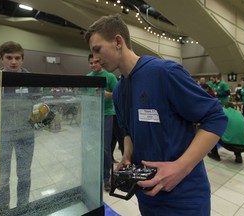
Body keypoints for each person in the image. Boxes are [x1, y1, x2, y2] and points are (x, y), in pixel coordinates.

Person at [84, 14, 228, 215]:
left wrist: (180, 168)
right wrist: (127, 155)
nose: (95, 58)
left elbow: (215, 117)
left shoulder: (164, 73)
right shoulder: (118, 91)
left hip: (184, 198)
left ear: (118, 41)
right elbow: (127, 131)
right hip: (148, 196)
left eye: (97, 49)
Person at [0, 41, 40, 210]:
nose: (13, 61)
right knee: (2, 177)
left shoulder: (31, 80)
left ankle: (23, 207)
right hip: (0, 135)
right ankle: (2, 209)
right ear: (1, 59)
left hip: (25, 135)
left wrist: (32, 122)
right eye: (9, 57)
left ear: (22, 60)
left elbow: (37, 102)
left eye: (17, 58)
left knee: (24, 174)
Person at [87, 53, 118, 191]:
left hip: (106, 115)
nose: (94, 65)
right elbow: (84, 95)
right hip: (91, 116)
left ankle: (106, 177)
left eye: (96, 62)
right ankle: (93, 176)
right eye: (91, 63)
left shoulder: (110, 77)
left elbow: (118, 95)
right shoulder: (87, 78)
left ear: (101, 63)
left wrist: (106, 94)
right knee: (92, 147)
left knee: (105, 148)